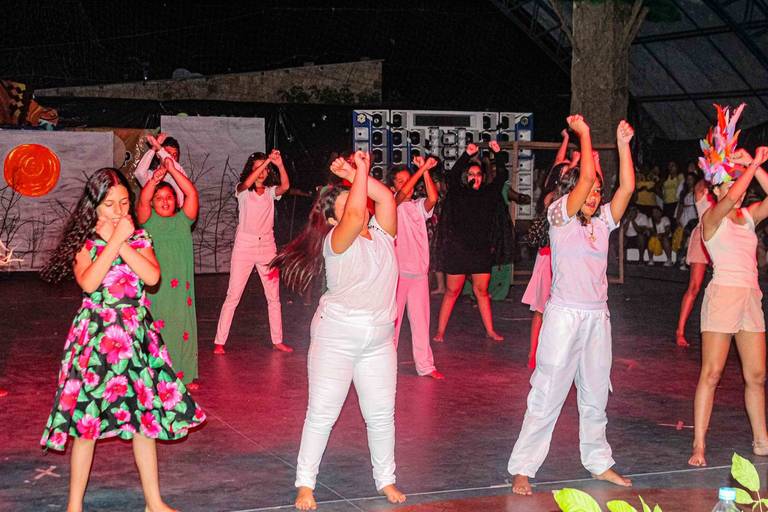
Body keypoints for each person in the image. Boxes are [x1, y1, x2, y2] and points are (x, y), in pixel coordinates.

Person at [39, 168, 205, 512]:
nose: (118, 210)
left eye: (124, 203)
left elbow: (152, 276)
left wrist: (123, 241)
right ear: (95, 206)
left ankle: (154, 502)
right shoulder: (85, 243)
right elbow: (89, 282)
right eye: (110, 204)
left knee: (145, 421)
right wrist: (113, 240)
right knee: (86, 424)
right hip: (97, 339)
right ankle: (74, 505)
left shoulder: (140, 238)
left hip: (135, 336)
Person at [270, 151, 405, 510]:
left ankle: (386, 479)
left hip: (379, 339)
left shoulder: (383, 234)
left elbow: (385, 198)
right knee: (322, 413)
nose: (357, 205)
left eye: (355, 196)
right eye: (345, 204)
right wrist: (360, 170)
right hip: (337, 337)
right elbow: (357, 214)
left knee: (381, 415)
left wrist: (350, 172)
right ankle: (305, 483)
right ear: (332, 219)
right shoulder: (336, 242)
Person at [508, 116, 635, 495]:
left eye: (598, 192)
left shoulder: (603, 222)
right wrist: (585, 136)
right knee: (547, 392)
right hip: (564, 317)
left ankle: (598, 462)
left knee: (595, 394)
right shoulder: (559, 215)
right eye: (589, 190)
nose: (594, 196)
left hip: (597, 318)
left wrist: (623, 145)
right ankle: (523, 467)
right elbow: (585, 179)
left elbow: (627, 187)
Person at [688, 130, 768, 467]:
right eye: (732, 182)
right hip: (723, 296)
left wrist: (752, 164)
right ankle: (699, 445)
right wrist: (752, 167)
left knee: (757, 376)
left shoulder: (748, 216)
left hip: (750, 296)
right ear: (718, 188)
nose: (739, 187)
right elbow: (733, 194)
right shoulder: (711, 217)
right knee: (712, 373)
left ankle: (762, 440)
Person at [213, 150, 293, 354]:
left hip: (267, 246)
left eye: (265, 169)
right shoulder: (241, 191)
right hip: (245, 246)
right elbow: (246, 183)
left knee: (273, 297)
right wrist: (266, 161)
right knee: (233, 295)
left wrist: (279, 164)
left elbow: (285, 187)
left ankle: (277, 340)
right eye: (257, 168)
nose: (262, 172)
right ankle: (219, 342)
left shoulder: (270, 192)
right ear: (251, 169)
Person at [433, 141, 513, 342]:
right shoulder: (458, 192)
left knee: (482, 291)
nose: (475, 177)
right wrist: (467, 155)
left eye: (478, 174)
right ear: (466, 176)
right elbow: (452, 176)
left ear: (483, 177)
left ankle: (490, 330)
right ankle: (440, 331)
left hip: (480, 250)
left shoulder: (488, 193)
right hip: (458, 249)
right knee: (452, 291)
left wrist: (498, 154)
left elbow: (502, 177)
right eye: (471, 174)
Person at [137, 149, 201, 389]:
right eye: (159, 198)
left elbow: (191, 193)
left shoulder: (184, 220)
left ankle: (184, 374)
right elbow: (143, 200)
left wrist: (172, 170)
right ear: (153, 203)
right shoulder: (149, 221)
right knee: (155, 327)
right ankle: (155, 375)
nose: (164, 201)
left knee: (183, 325)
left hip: (180, 288)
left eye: (169, 197)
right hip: (156, 288)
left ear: (176, 201)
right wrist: (154, 179)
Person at [390, 156, 444, 379]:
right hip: (399, 273)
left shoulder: (417, 206)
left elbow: (433, 198)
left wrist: (425, 171)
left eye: (408, 179)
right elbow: (402, 194)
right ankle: (386, 364)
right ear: (392, 187)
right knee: (392, 322)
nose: (406, 184)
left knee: (421, 322)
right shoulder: (392, 203)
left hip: (419, 273)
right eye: (400, 181)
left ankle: (425, 365)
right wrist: (420, 170)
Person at [134, 133, 189, 206]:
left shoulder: (179, 174)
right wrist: (154, 148)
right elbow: (139, 173)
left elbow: (171, 164)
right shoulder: (152, 177)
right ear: (158, 154)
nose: (172, 158)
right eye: (168, 153)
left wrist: (158, 146)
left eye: (175, 155)